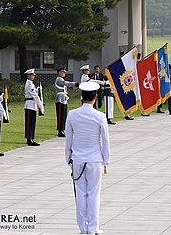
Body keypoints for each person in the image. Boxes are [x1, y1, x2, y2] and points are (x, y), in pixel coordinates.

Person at [65, 81, 111, 235]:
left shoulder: (72, 114)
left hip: (78, 159)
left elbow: (68, 140)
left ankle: (83, 227)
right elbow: (105, 141)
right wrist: (106, 160)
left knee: (80, 194)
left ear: (81, 97)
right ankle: (93, 227)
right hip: (94, 160)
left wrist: (68, 158)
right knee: (93, 194)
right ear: (95, 97)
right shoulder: (100, 116)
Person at [23, 69, 44, 146]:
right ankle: (29, 139)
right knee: (29, 123)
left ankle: (32, 138)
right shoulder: (29, 84)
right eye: (32, 75)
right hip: (29, 104)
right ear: (28, 76)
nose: (33, 76)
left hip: (33, 105)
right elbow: (35, 95)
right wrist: (40, 105)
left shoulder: (31, 83)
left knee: (32, 123)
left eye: (34, 75)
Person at [55, 67, 78, 137]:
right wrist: (76, 84)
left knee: (64, 115)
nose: (64, 73)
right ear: (59, 73)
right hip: (60, 99)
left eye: (64, 72)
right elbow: (67, 83)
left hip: (64, 99)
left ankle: (63, 129)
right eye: (62, 72)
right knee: (60, 115)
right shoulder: (59, 80)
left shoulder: (61, 79)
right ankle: (60, 130)